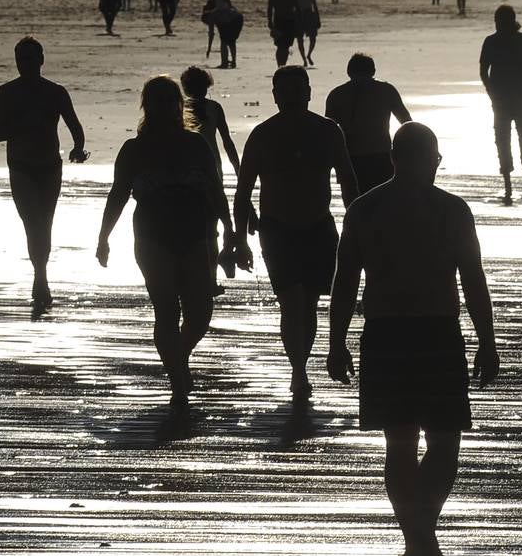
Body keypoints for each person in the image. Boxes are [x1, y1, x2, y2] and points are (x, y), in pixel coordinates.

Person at [327, 122, 498, 556]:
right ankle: (422, 538)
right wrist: (487, 340)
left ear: (394, 158)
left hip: (387, 335)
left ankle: (418, 539)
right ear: (430, 159)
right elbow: (473, 279)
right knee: (442, 443)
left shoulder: (365, 209)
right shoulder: (452, 210)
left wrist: (336, 341)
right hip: (436, 334)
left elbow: (345, 283)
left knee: (401, 445)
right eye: (436, 160)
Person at [96, 76, 233, 417]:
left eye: (170, 100)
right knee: (167, 311)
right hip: (152, 237)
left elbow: (215, 191)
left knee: (200, 314)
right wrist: (103, 237)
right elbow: (117, 195)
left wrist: (231, 230)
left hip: (197, 234)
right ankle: (176, 377)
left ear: (179, 104)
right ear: (146, 106)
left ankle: (177, 356)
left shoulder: (197, 145)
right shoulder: (134, 150)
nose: (163, 107)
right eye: (156, 101)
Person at [233, 67, 358, 400]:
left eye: (296, 89)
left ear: (308, 92)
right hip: (277, 229)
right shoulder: (262, 135)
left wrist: (358, 225)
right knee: (292, 302)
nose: (289, 96)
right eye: (283, 90)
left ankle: (300, 366)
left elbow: (347, 179)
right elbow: (243, 190)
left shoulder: (328, 131)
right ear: (275, 96)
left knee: (311, 303)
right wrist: (239, 239)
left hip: (318, 226)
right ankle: (299, 371)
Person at [0, 36, 89, 311]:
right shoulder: (6, 92)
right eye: (21, 60)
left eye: (31, 59)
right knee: (31, 222)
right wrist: (23, 122)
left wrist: (78, 148)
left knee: (44, 223)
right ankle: (40, 277)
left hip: (49, 167)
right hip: (21, 167)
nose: (26, 64)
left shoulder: (55, 92)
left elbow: (75, 126)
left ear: (41, 60)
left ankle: (40, 276)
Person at [480, 4, 522, 203]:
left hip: (503, 98)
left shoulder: (492, 42)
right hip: (518, 97)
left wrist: (491, 91)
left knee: (505, 138)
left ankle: (511, 181)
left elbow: (484, 71)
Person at [181, 65, 241, 292]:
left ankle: (191, 273)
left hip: (185, 172)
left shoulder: (178, 108)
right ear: (207, 87)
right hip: (213, 170)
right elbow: (227, 142)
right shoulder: (215, 108)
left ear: (185, 87)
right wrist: (238, 170)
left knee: (190, 225)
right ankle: (211, 277)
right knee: (212, 224)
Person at [324, 52, 413, 194]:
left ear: (349, 72)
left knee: (354, 205)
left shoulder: (337, 94)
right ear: (373, 71)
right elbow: (407, 122)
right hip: (381, 156)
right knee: (382, 205)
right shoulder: (386, 90)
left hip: (350, 159)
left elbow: (328, 132)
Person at [205, 0, 242, 70]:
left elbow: (211, 33)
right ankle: (232, 61)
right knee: (230, 41)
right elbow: (227, 2)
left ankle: (225, 61)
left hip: (223, 15)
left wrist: (209, 49)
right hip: (226, 15)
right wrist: (232, 8)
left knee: (225, 41)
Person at [266, 0, 298, 66]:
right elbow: (297, 10)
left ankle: (280, 65)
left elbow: (270, 9)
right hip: (286, 22)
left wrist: (270, 22)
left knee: (281, 46)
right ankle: (281, 65)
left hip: (281, 21)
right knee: (284, 46)